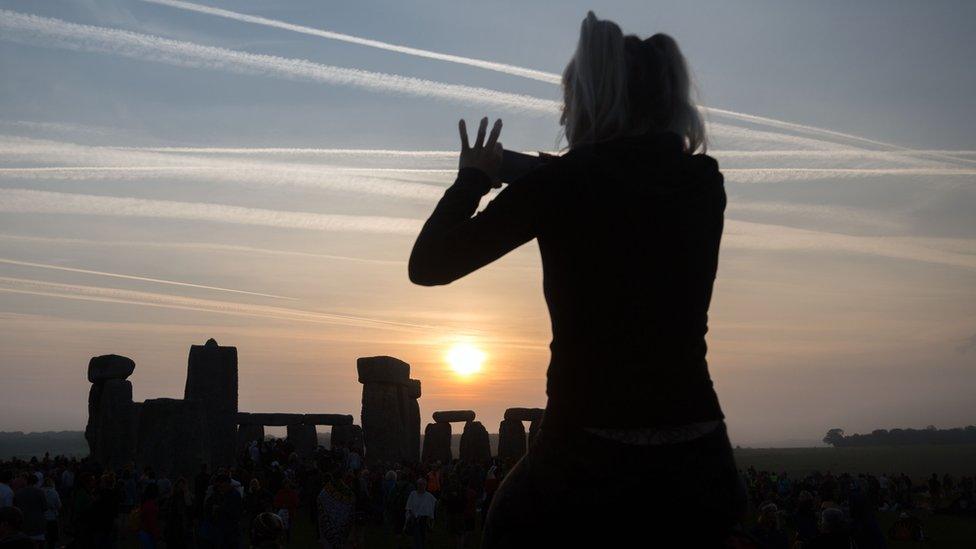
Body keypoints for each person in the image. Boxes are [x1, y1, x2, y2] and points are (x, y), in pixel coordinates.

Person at [408, 10, 742, 547]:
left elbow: (428, 265)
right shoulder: (704, 182)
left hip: (587, 458)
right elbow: (618, 184)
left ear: (589, 100)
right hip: (699, 461)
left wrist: (473, 178)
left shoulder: (562, 188)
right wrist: (519, 168)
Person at [12, 473, 46, 546]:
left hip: (23, 525)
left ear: (27, 481)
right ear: (36, 482)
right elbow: (45, 508)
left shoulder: (18, 493)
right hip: (38, 525)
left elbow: (15, 507)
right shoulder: (40, 492)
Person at [404, 478, 436, 549]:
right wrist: (411, 516)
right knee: (416, 537)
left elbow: (432, 508)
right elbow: (409, 506)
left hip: (424, 520)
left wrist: (430, 519)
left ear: (425, 485)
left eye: (423, 484)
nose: (421, 486)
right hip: (414, 519)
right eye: (419, 484)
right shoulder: (413, 494)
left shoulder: (429, 496)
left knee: (423, 536)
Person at [41, 478, 61, 549]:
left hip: (42, 517)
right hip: (52, 517)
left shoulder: (40, 491)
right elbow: (59, 505)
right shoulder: (54, 492)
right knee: (52, 538)